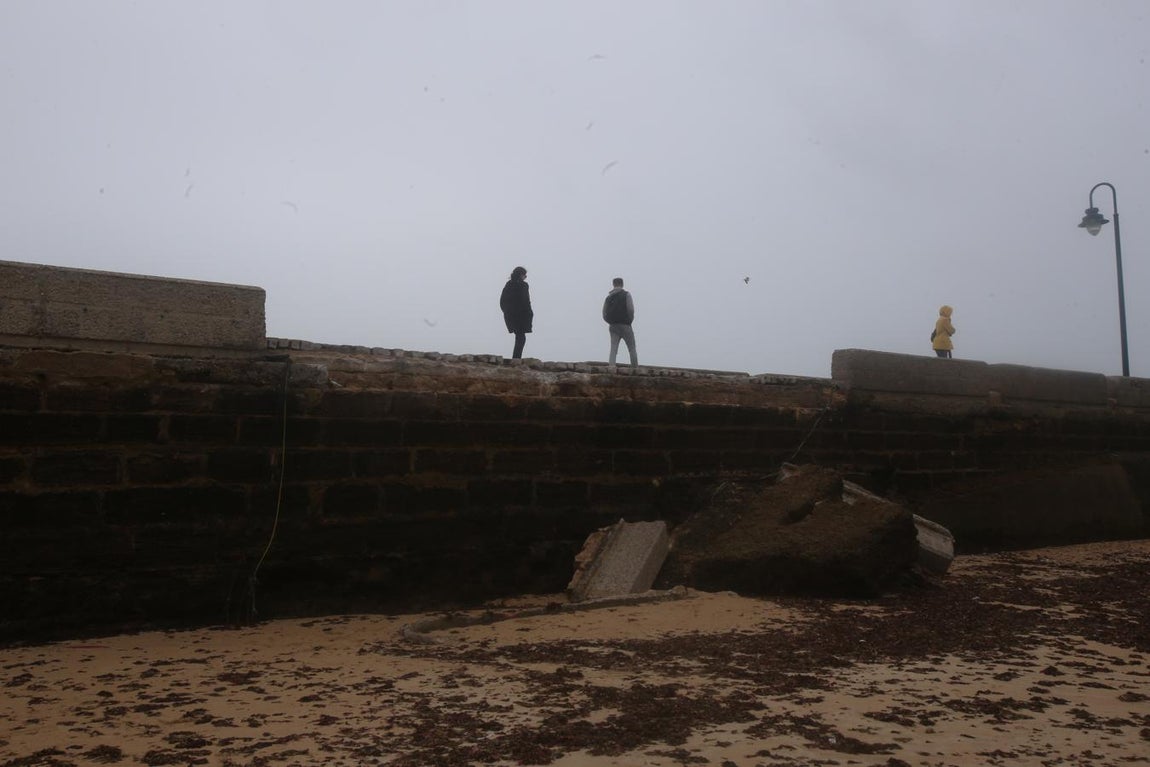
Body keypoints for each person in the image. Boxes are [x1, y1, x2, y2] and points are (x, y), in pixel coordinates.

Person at [602, 277, 637, 368]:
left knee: (613, 348)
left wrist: (610, 321)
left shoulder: (609, 297)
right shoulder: (626, 295)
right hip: (626, 325)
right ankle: (634, 368)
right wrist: (629, 320)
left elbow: (604, 313)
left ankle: (611, 366)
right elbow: (631, 309)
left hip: (613, 326)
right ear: (622, 284)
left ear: (613, 284)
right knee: (631, 348)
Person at [500, 266, 533, 359]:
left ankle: (516, 358)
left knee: (520, 337)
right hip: (519, 315)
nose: (525, 277)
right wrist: (529, 313)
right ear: (520, 275)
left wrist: (507, 312)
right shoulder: (523, 285)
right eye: (524, 275)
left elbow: (502, 301)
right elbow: (526, 301)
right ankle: (516, 359)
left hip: (512, 315)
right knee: (521, 337)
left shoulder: (509, 284)